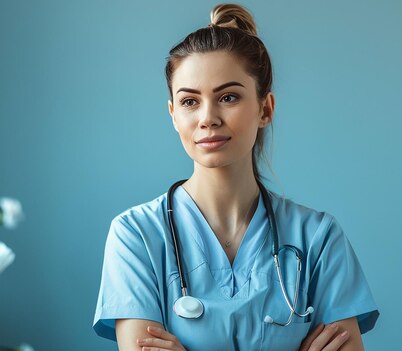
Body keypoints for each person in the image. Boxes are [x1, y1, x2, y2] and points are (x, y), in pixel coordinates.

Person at [93, 3, 379, 350]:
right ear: (172, 115)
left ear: (265, 108)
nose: (208, 118)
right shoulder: (135, 237)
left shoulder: (317, 239)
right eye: (189, 102)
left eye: (228, 97)